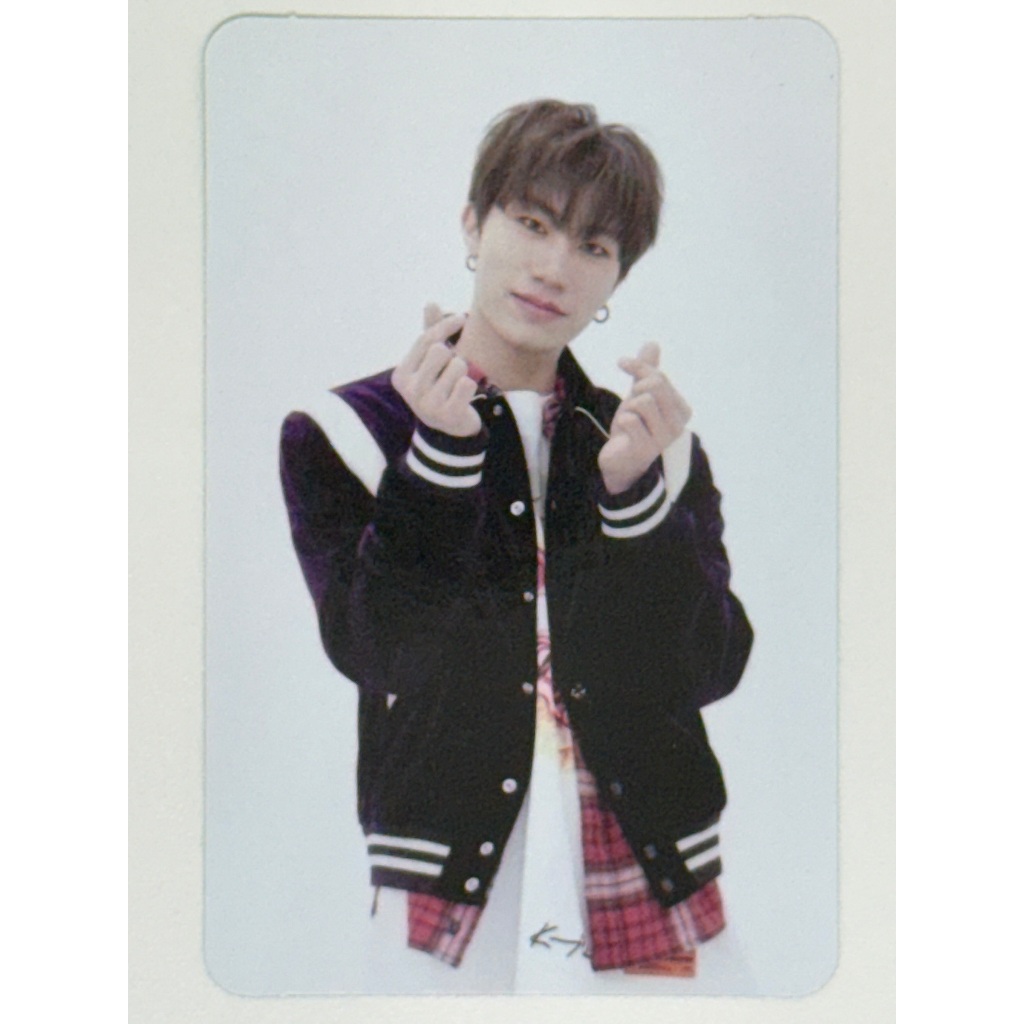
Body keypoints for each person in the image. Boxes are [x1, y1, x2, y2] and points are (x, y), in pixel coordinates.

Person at [279, 99, 753, 989]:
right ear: (473, 221)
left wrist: (634, 500)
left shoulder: (652, 439)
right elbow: (377, 650)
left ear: (617, 278)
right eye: (532, 223)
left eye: (593, 246)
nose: (553, 268)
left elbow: (710, 668)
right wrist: (440, 460)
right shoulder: (348, 431)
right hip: (448, 880)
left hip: (650, 873)